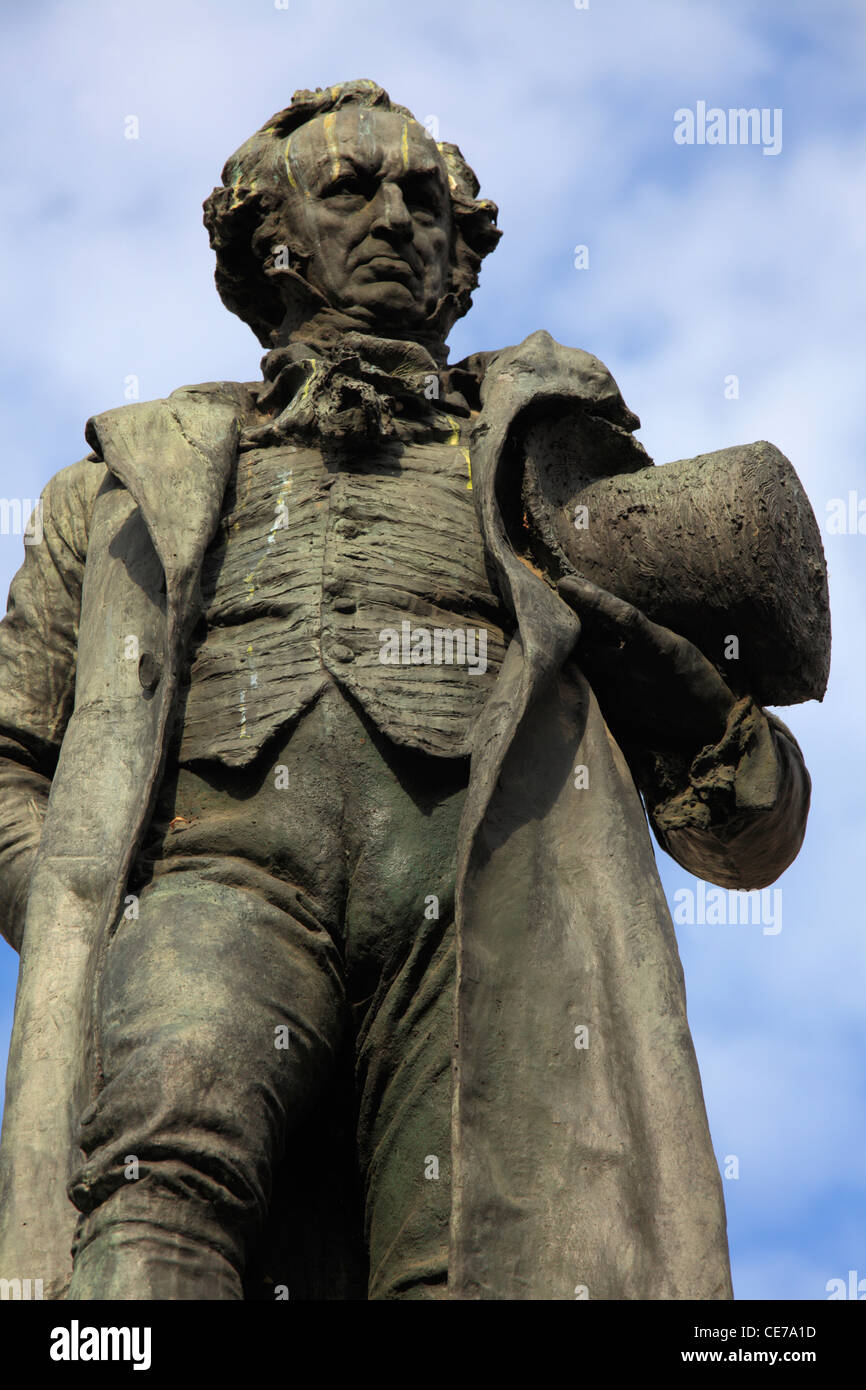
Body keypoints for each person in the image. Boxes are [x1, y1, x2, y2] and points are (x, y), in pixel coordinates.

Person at [0, 79, 810, 1300]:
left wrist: (690, 692)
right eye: (349, 189)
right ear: (265, 241)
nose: (396, 217)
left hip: (481, 901)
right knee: (151, 1179)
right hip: (216, 878)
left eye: (425, 198)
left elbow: (747, 824)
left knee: (470, 1252)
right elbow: (11, 755)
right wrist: (93, 908)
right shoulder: (112, 492)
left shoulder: (556, 474)